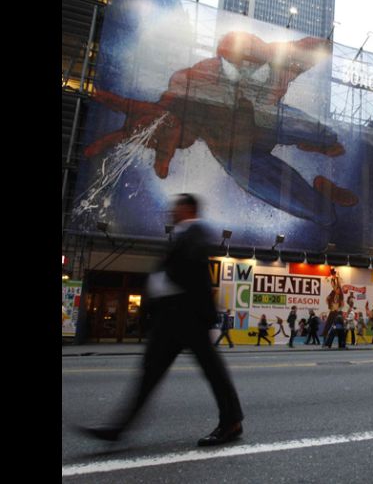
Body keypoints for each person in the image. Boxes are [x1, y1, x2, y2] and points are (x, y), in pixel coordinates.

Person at [84, 32, 357, 227]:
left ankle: (318, 141)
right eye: (236, 64)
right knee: (322, 215)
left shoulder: (281, 61)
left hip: (267, 122)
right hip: (236, 152)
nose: (245, 70)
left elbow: (310, 48)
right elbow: (172, 106)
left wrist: (326, 45)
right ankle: (322, 195)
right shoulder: (196, 78)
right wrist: (162, 120)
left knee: (322, 134)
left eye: (253, 65)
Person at [79, 194, 243, 446]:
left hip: (189, 317)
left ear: (188, 209)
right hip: (171, 319)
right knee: (151, 373)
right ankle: (118, 428)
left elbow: (197, 275)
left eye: (176, 207)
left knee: (213, 372)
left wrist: (206, 317)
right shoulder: (182, 234)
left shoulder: (196, 232)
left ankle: (231, 423)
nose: (172, 211)